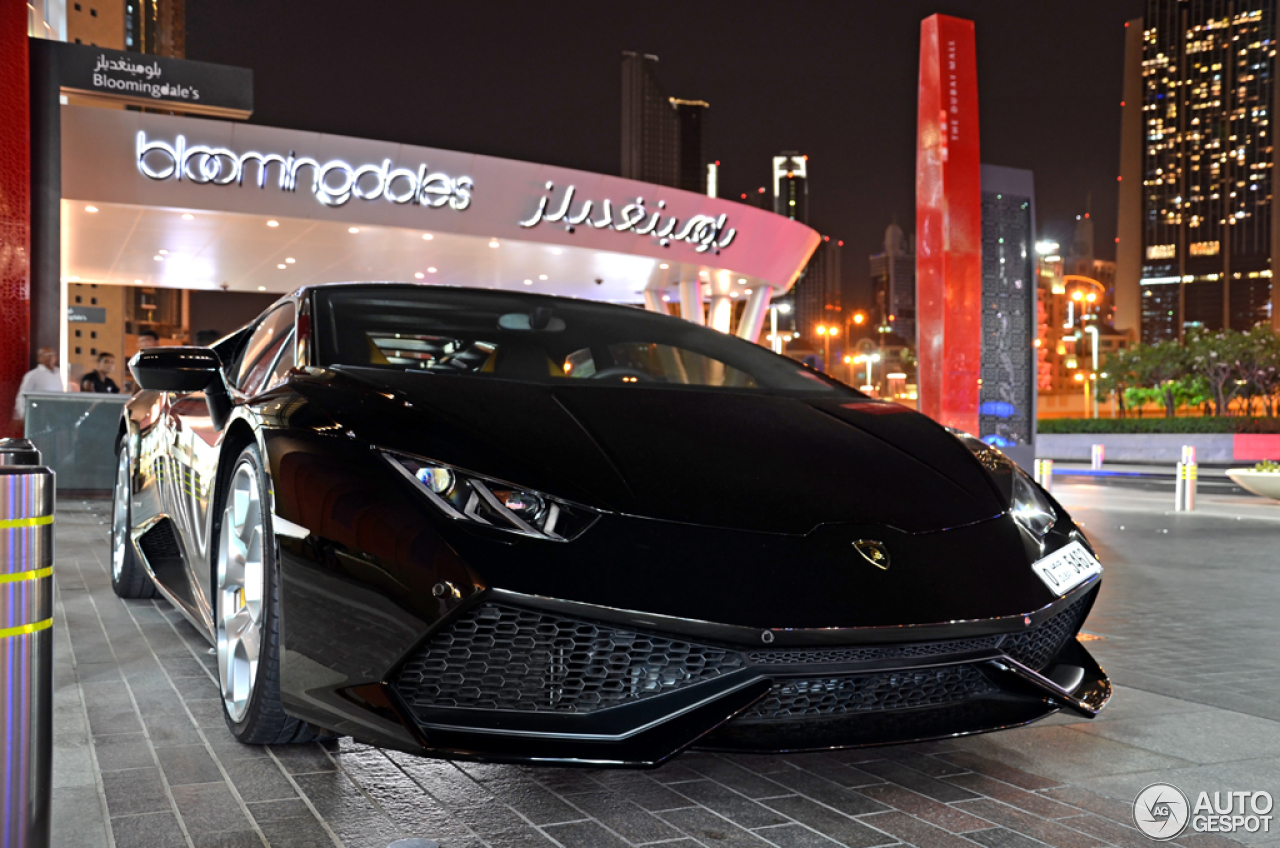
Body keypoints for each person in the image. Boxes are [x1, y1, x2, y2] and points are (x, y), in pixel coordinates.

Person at [12, 347, 65, 424]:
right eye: (45, 355)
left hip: (58, 413)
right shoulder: (32, 375)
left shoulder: (61, 374)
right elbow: (22, 396)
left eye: (51, 354)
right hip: (39, 414)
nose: (49, 357)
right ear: (39, 358)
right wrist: (22, 413)